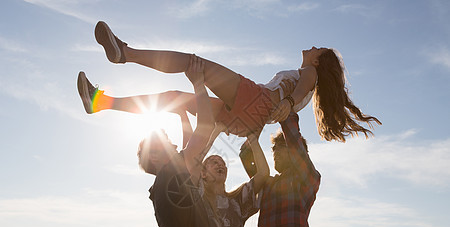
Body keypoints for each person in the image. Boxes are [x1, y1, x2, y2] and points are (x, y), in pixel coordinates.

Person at [86, 20, 381, 141]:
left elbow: (299, 89)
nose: (313, 46)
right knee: (176, 98)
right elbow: (285, 110)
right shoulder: (305, 88)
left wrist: (288, 101)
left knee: (193, 64)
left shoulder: (309, 75)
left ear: (318, 61)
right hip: (248, 122)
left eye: (319, 49)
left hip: (256, 101)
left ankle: (124, 54)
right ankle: (100, 102)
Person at [138, 55, 221, 227]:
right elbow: (204, 127)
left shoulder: (169, 183)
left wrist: (183, 115)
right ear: (155, 157)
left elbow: (191, 149)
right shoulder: (169, 177)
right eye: (166, 143)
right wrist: (198, 83)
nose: (174, 144)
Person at [240, 109, 321, 227]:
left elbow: (294, 139)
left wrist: (285, 110)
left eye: (279, 147)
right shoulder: (267, 184)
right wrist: (256, 125)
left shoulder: (306, 180)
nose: (274, 152)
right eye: (273, 148)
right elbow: (246, 154)